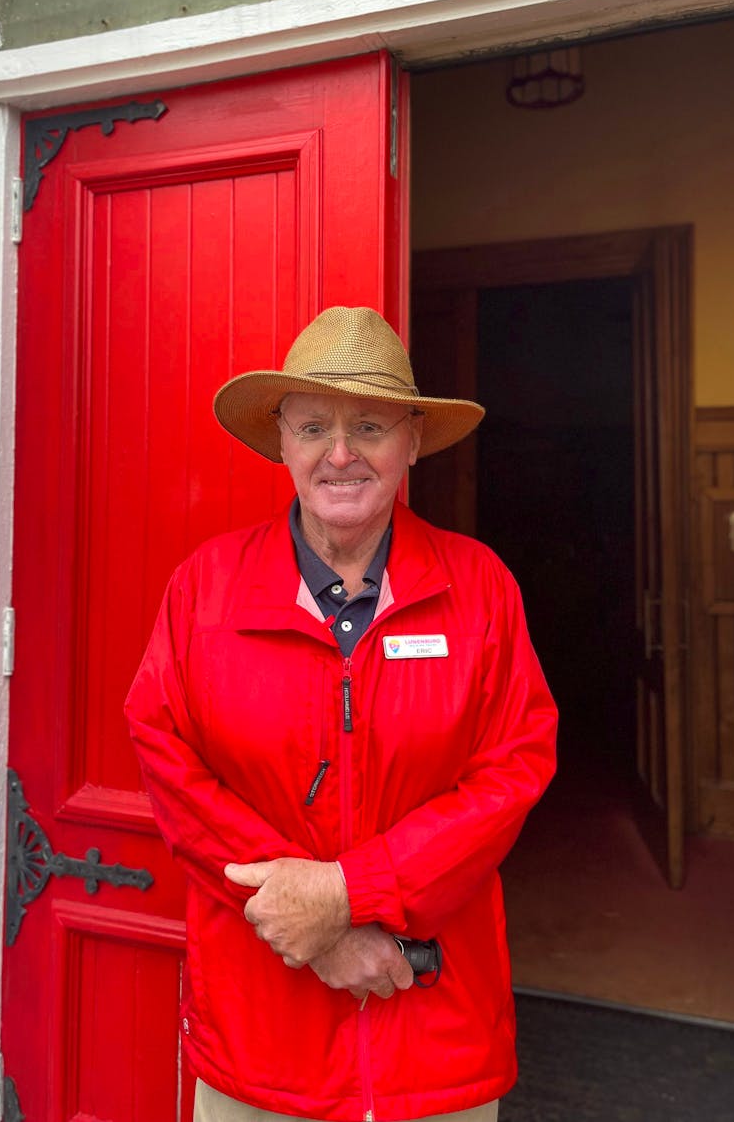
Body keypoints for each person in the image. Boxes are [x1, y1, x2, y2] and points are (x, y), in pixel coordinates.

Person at [125, 305, 557, 1122]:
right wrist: (316, 923)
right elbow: (167, 756)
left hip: (435, 1034)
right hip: (260, 1037)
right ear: (281, 441)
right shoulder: (204, 588)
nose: (341, 453)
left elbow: (514, 767)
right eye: (314, 425)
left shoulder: (481, 587)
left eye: (370, 424)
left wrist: (349, 890)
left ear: (414, 442)